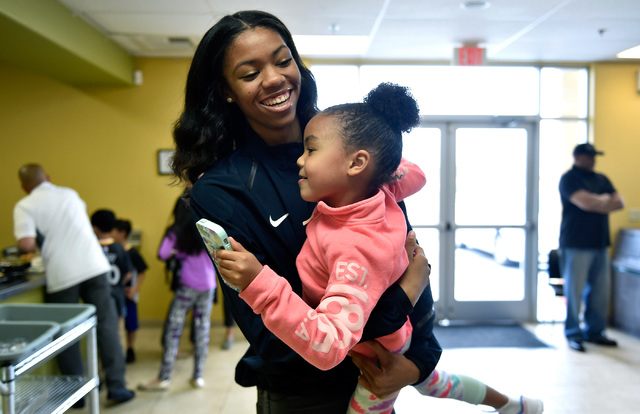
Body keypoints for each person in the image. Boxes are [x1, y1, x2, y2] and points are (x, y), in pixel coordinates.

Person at [216, 83, 543, 414]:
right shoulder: (380, 191)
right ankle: (512, 406)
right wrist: (381, 167)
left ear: (357, 163)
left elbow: (328, 344)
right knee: (435, 382)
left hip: (379, 357)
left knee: (409, 390)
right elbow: (417, 174)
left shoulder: (355, 247)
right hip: (397, 336)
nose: (300, 161)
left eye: (311, 150)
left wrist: (259, 283)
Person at [173, 10, 436, 414]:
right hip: (303, 395)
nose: (275, 78)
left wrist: (417, 361)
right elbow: (269, 333)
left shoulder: (348, 141)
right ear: (225, 90)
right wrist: (400, 301)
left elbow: (404, 255)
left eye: (283, 60)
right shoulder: (222, 190)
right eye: (249, 73)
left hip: (382, 380)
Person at [13, 164, 135, 405]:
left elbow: (26, 245)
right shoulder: (69, 194)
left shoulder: (25, 205)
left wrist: (34, 243)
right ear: (48, 177)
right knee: (107, 326)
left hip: (62, 274)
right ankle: (117, 387)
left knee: (66, 334)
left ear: (24, 186)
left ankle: (75, 395)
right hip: (94, 266)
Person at [137, 192, 216, 391]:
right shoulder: (207, 228)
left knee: (173, 331)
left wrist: (178, 252)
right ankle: (198, 376)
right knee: (202, 330)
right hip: (208, 286)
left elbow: (163, 253)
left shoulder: (176, 231)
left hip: (186, 287)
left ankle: (164, 377)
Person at [558, 143, 624, 352]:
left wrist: (598, 201)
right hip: (575, 244)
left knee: (600, 292)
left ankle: (595, 332)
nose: (594, 160)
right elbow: (584, 203)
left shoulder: (602, 179)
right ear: (578, 157)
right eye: (590, 156)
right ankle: (573, 333)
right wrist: (604, 200)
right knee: (574, 292)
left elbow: (619, 202)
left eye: (595, 156)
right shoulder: (569, 178)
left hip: (600, 243)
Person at [113, 218, 148, 363]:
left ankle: (130, 348)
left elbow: (142, 271)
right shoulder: (113, 250)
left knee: (131, 323)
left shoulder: (131, 252)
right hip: (117, 293)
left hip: (129, 294)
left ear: (122, 233)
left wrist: (134, 289)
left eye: (114, 231)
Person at [91, 209, 133, 322]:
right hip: (118, 297)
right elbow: (128, 274)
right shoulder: (120, 248)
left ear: (94, 228)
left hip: (97, 298)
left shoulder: (92, 249)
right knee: (118, 332)